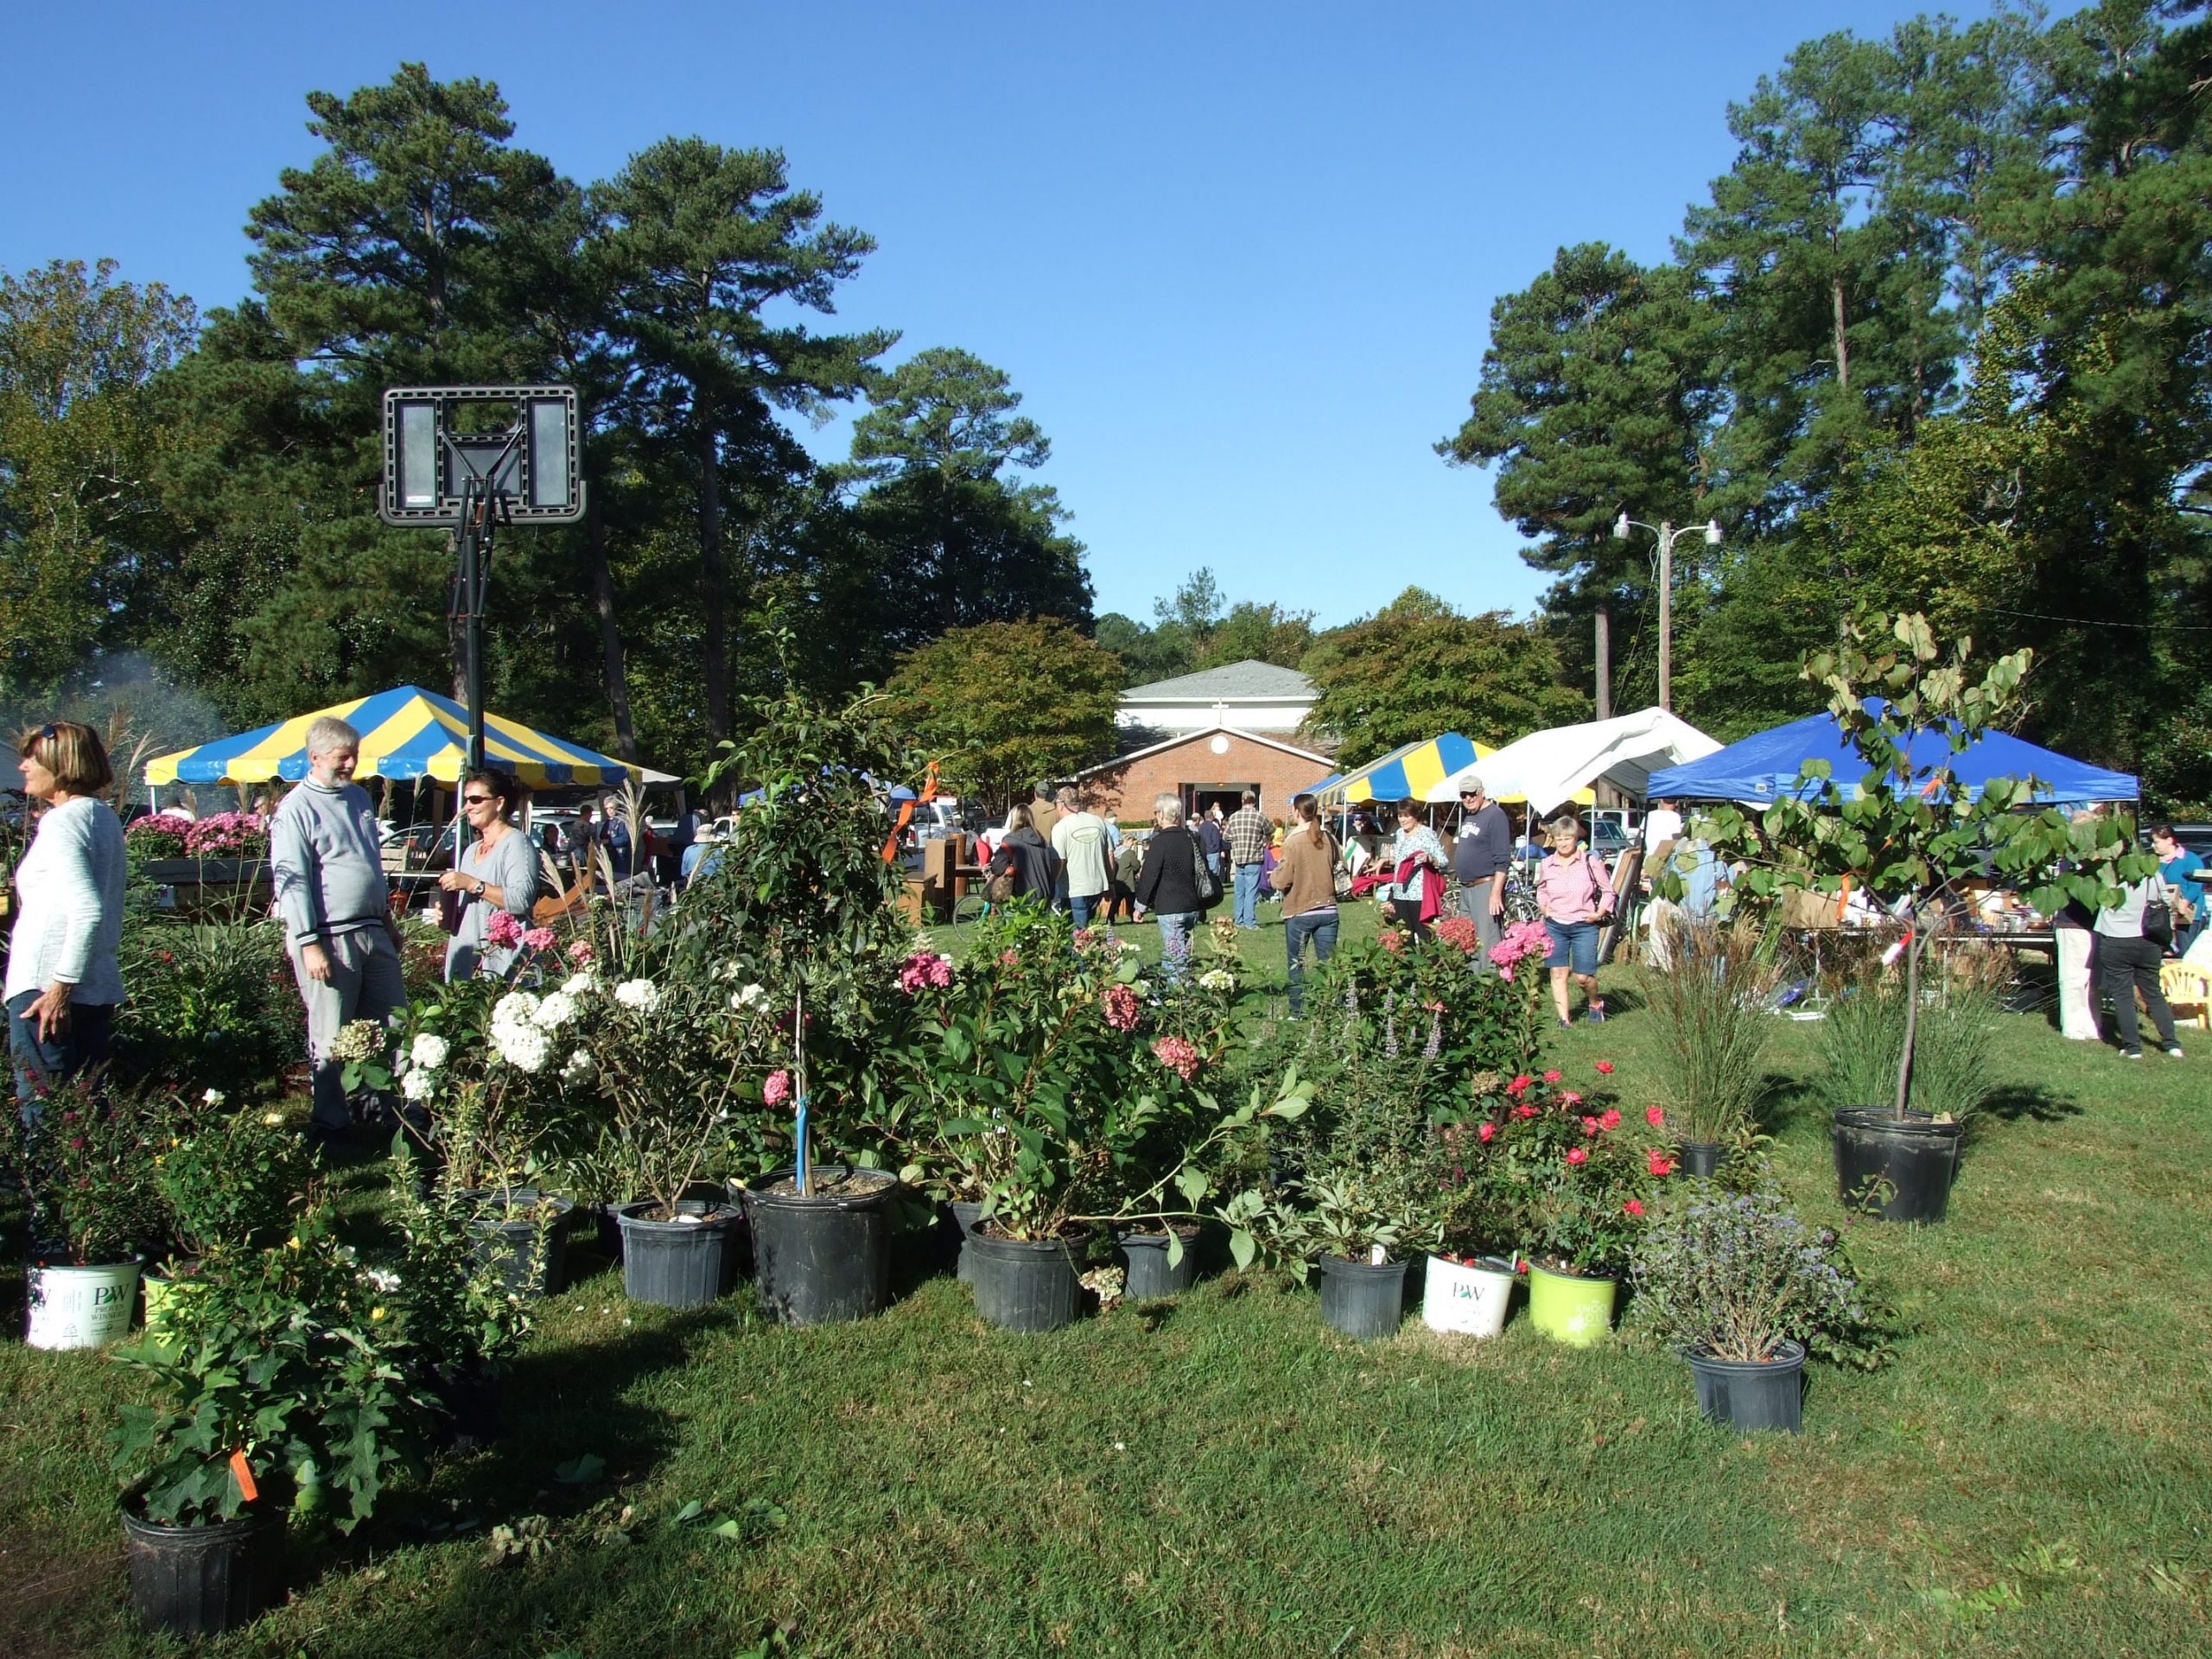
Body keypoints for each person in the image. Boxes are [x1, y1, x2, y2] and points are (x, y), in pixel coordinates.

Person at [269, 716, 407, 1144]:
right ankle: (330, 1124)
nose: (350, 764)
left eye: (354, 755)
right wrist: (309, 944)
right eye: (341, 757)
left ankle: (388, 1113)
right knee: (331, 1033)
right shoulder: (295, 810)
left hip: (372, 929)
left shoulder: (360, 800)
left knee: (391, 1024)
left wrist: (387, 921)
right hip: (328, 936)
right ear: (314, 757)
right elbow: (290, 881)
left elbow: (369, 864)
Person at [8, 721, 126, 1108]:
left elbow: (88, 908)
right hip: (94, 985)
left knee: (46, 1115)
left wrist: (59, 989)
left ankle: (47, 1174)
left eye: (33, 759)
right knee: (88, 1114)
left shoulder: (61, 822)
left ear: (62, 765)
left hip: (46, 990)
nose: (23, 767)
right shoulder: (103, 818)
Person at [439, 767, 540, 981]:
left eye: (475, 800)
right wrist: (447, 913)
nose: (468, 807)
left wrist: (473, 884)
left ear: (499, 803)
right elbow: (471, 906)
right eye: (466, 800)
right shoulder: (470, 851)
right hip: (467, 960)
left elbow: (521, 901)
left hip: (501, 963)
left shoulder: (517, 843)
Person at [2094, 864, 2185, 1059]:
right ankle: (2171, 1044)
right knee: (2154, 993)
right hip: (2148, 938)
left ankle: (2133, 1048)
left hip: (2115, 939)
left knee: (2123, 996)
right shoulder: (2152, 873)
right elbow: (2167, 902)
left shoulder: (2107, 873)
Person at [1536, 813, 1615, 1027]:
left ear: (1575, 839)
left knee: (1582, 976)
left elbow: (1608, 891)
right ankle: (1564, 1020)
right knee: (1558, 972)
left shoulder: (1589, 861)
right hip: (1555, 924)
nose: (1563, 843)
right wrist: (1544, 908)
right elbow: (1541, 890)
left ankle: (1595, 1002)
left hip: (1584, 924)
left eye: (1567, 838)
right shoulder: (1547, 863)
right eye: (1559, 839)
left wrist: (1599, 913)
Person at [1269, 793, 1339, 1017]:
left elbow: (1283, 880)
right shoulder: (1329, 837)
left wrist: (1272, 877)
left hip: (1300, 910)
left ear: (1297, 812)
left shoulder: (1292, 841)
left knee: (1297, 963)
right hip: (1329, 907)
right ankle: (1332, 1008)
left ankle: (1297, 1012)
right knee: (1329, 964)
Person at [1134, 794, 1205, 981]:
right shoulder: (1192, 838)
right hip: (1192, 905)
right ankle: (1165, 994)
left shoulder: (1160, 842)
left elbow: (1149, 875)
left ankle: (1180, 1001)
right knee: (1177, 953)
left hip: (1170, 906)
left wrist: (1140, 906)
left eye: (1156, 813)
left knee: (1176, 959)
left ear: (1161, 815)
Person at [1452, 774, 1512, 971]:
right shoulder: (1470, 815)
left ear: (1481, 792)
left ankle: (1491, 988)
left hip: (1485, 886)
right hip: (1467, 887)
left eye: (1472, 794)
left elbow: (1502, 859)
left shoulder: (1495, 815)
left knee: (1487, 941)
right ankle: (1472, 986)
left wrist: (1495, 892)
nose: (1468, 799)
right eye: (1463, 795)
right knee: (1468, 940)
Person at [1377, 798, 1449, 942]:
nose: (1402, 819)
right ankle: (1407, 964)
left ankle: (1428, 964)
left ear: (1415, 816)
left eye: (1406, 815)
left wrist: (1430, 859)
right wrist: (1385, 860)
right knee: (1404, 936)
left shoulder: (1426, 834)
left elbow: (1443, 861)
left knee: (1424, 936)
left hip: (1419, 894)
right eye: (1400, 815)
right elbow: (1401, 860)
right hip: (1400, 892)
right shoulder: (1399, 834)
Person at [1051, 788, 1114, 930]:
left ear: (1061, 805)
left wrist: (1051, 884)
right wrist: (1110, 883)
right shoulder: (1098, 822)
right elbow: (1109, 854)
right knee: (1090, 932)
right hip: (1097, 888)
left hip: (1073, 890)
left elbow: (1059, 861)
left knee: (1076, 935)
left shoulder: (1061, 827)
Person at [985, 804, 1060, 903]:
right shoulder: (1041, 841)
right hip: (1044, 896)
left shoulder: (1010, 841)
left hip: (1021, 897)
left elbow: (998, 865)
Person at [2152, 825, 2206, 958]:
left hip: (2186, 915)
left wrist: (2186, 901)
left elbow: (2196, 884)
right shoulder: (2153, 862)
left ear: (2169, 840)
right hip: (2161, 916)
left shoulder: (2189, 858)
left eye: (2156, 842)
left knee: (2186, 952)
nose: (2153, 846)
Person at [1224, 790, 1270, 929]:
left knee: (1239, 891)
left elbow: (1226, 836)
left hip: (1239, 858)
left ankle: (1239, 920)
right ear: (1254, 802)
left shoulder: (1233, 817)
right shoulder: (1259, 816)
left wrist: (1237, 840)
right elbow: (1271, 830)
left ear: (1242, 801)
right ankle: (1250, 922)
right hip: (1254, 857)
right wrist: (1262, 839)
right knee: (1251, 891)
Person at [1109, 830, 1143, 924]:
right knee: (1131, 902)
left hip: (1117, 881)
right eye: (1132, 841)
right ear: (1127, 841)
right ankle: (1134, 918)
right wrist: (1135, 872)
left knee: (1116, 902)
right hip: (1128, 882)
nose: (1132, 844)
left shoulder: (1116, 852)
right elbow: (1136, 865)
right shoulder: (1129, 853)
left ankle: (1110, 918)